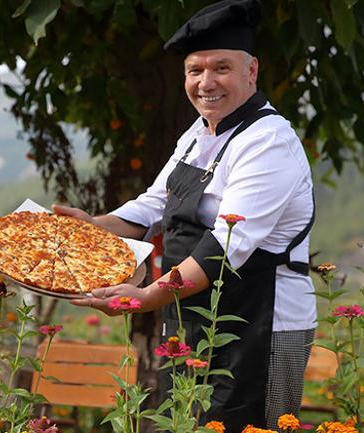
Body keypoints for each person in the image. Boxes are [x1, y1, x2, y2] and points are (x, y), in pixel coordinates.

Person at [55, 0, 316, 430]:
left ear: (251, 71)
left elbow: (224, 248)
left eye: (221, 68)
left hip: (260, 325)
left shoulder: (268, 142)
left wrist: (146, 298)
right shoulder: (198, 133)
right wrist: (95, 227)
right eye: (195, 70)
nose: (206, 83)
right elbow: (154, 205)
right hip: (191, 313)